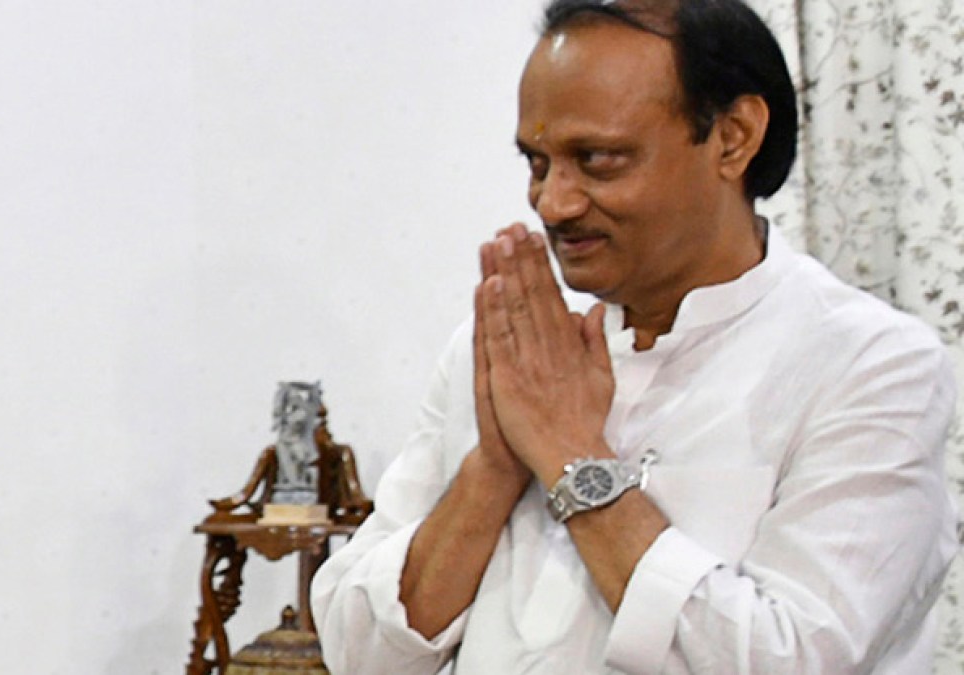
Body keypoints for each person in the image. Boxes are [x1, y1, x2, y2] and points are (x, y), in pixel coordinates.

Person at [310, 0, 959, 673]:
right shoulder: (513, 348)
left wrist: (570, 454)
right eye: (538, 164)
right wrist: (495, 469)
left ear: (733, 138)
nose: (554, 203)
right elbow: (359, 655)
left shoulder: (870, 366)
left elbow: (791, 660)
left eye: (598, 160)